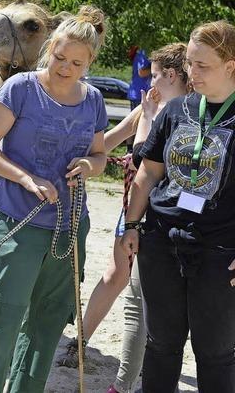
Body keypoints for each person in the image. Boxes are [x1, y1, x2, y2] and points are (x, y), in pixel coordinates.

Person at [0, 6, 108, 393]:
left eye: (76, 62)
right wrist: (27, 178)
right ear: (49, 49)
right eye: (59, 57)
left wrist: (89, 166)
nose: (65, 67)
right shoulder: (20, 88)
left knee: (48, 323)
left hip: (69, 227)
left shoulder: (93, 100)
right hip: (17, 222)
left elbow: (100, 155)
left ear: (89, 62)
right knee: (1, 320)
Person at [58, 43, 190, 393]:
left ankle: (135, 376)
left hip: (153, 215)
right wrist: (84, 158)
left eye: (156, 74)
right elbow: (108, 143)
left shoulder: (177, 112)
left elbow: (141, 156)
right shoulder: (151, 105)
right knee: (120, 276)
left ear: (172, 75)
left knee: (141, 297)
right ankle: (81, 341)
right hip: (133, 209)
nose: (150, 80)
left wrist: (146, 118)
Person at [121, 20, 235, 391]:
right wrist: (132, 226)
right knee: (161, 345)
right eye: (189, 63)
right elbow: (148, 175)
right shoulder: (177, 110)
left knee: (216, 352)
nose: (192, 73)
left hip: (220, 252)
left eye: (203, 65)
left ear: (230, 65)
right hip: (161, 242)